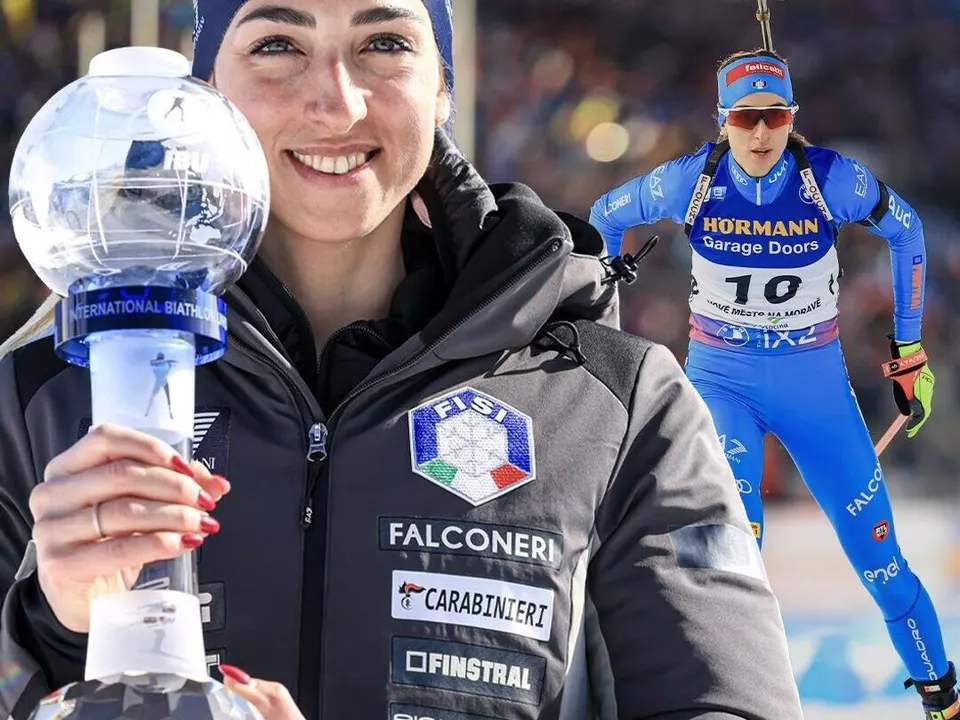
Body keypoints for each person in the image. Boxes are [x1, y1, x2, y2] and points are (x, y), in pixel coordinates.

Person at [0, 3, 805, 719]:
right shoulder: (38, 399)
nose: (336, 102)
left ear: (442, 87)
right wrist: (58, 627)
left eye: (384, 42)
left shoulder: (616, 402)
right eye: (277, 44)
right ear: (206, 90)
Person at [589, 47, 957, 720]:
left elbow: (907, 232)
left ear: (793, 117)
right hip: (722, 383)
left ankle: (944, 698)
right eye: (745, 118)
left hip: (814, 388)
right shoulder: (690, 181)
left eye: (775, 116)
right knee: (732, 552)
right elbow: (605, 215)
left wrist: (908, 351)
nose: (760, 133)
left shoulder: (829, 179)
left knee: (882, 565)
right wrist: (605, 332)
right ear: (722, 121)